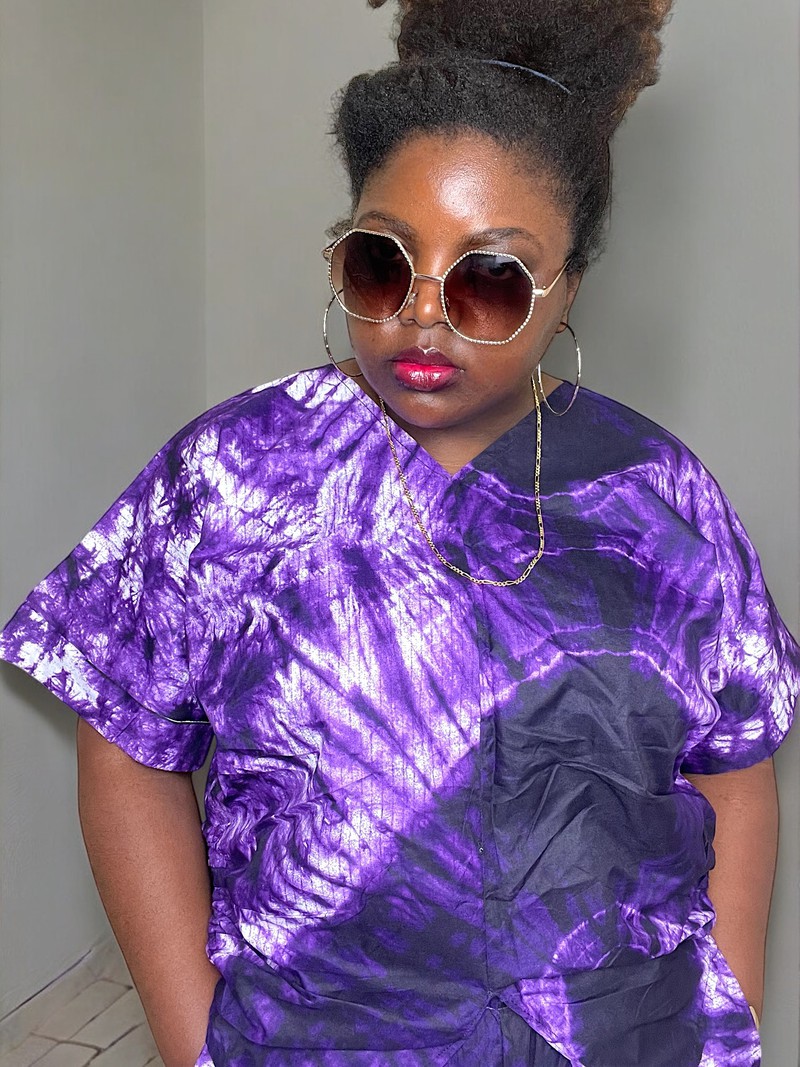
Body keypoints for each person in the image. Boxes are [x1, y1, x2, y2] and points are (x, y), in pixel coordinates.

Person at [1, 1, 798, 1064]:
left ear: (567, 289)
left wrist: (728, 1015)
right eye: (382, 263)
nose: (423, 316)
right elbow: (123, 731)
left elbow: (735, 764)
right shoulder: (234, 473)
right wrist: (195, 1042)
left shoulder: (659, 495)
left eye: (489, 278)